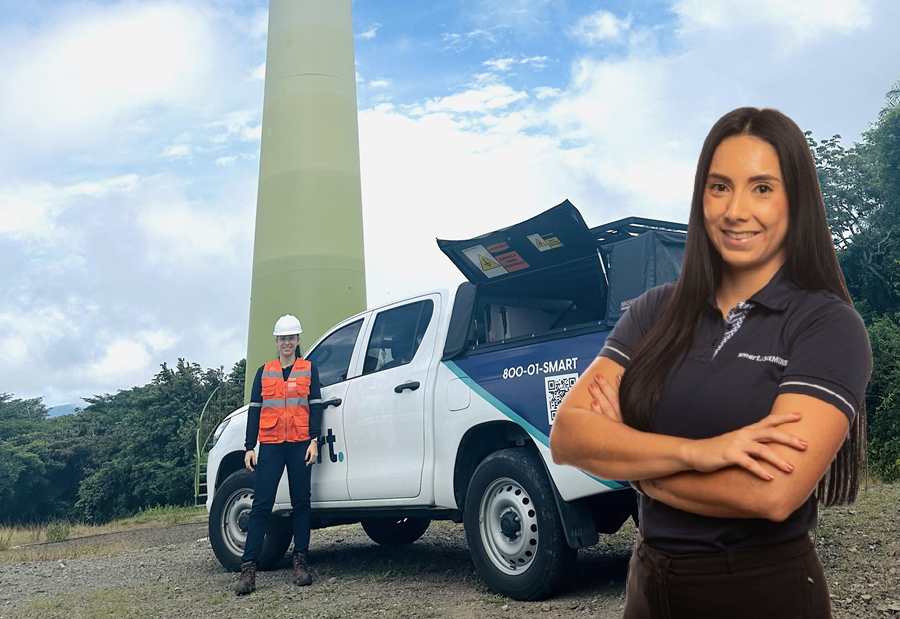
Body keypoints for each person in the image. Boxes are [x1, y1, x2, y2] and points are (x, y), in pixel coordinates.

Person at [550, 107, 871, 618]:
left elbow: (771, 493)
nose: (735, 210)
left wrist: (636, 466)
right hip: (650, 584)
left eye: (762, 188)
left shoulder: (826, 325)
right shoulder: (656, 310)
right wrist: (702, 453)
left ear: (797, 200)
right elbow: (568, 436)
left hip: (759, 591)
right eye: (720, 186)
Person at [234, 314, 323, 595]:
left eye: (291, 337)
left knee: (301, 503)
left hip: (299, 444)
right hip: (271, 445)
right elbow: (255, 411)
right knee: (261, 506)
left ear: (298, 340)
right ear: (276, 341)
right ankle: (248, 569)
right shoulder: (264, 372)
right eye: (282, 338)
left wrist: (314, 440)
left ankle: (300, 562)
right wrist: (250, 446)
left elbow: (316, 406)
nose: (287, 342)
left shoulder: (309, 369)